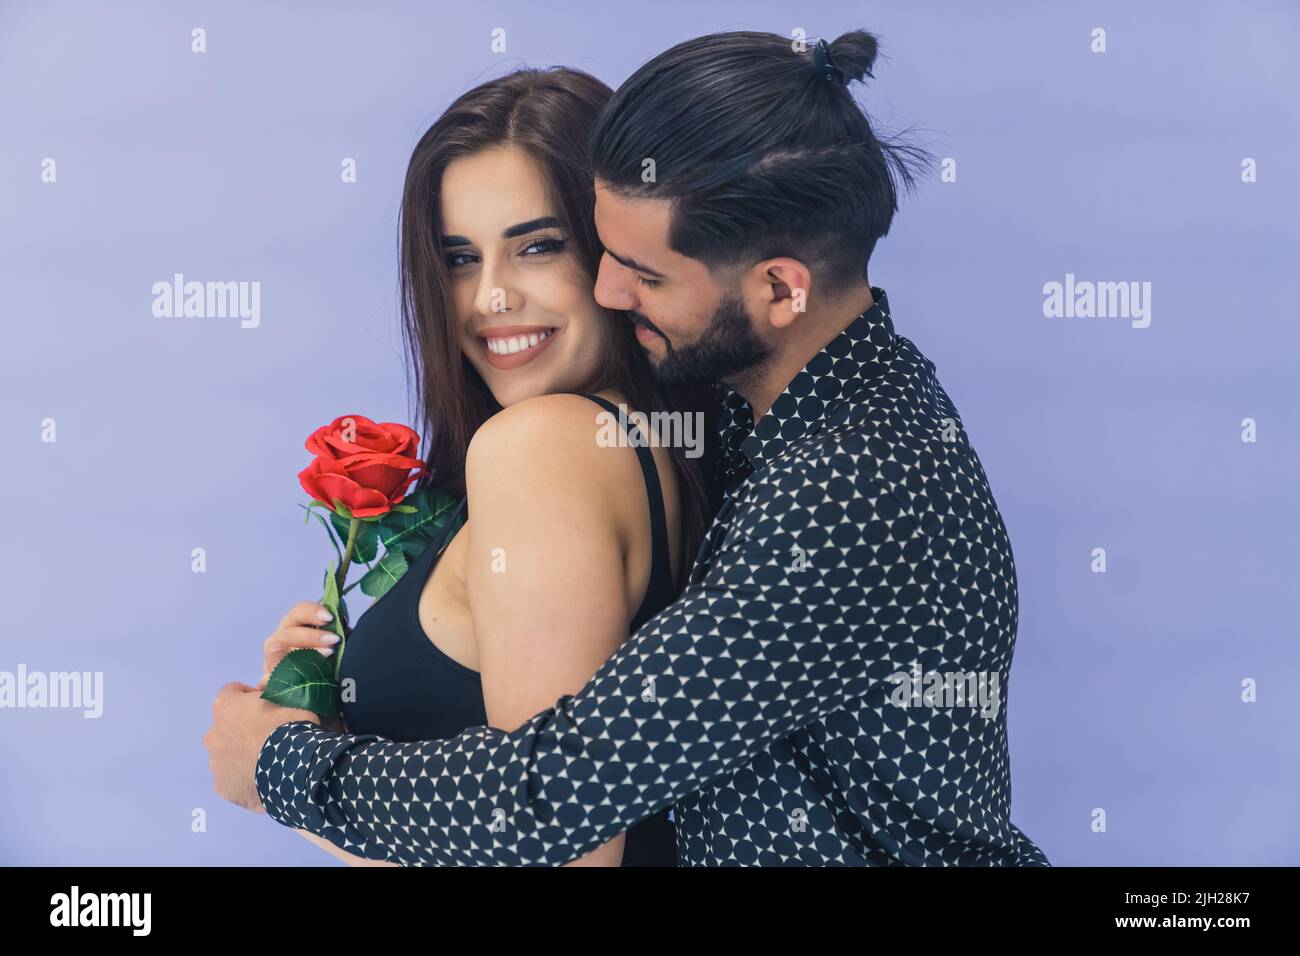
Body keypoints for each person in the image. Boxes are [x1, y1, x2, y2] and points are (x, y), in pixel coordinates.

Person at [207, 28, 1051, 866]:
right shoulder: (752, 424)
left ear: (780, 288)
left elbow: (551, 805)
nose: (612, 290)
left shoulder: (848, 490)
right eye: (459, 256)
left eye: (644, 273)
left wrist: (276, 766)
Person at [250, 66, 718, 866]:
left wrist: (280, 771)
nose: (491, 299)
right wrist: (330, 714)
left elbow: (555, 849)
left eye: (538, 246)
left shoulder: (543, 446)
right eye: (460, 259)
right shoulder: (648, 445)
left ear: (618, 255)